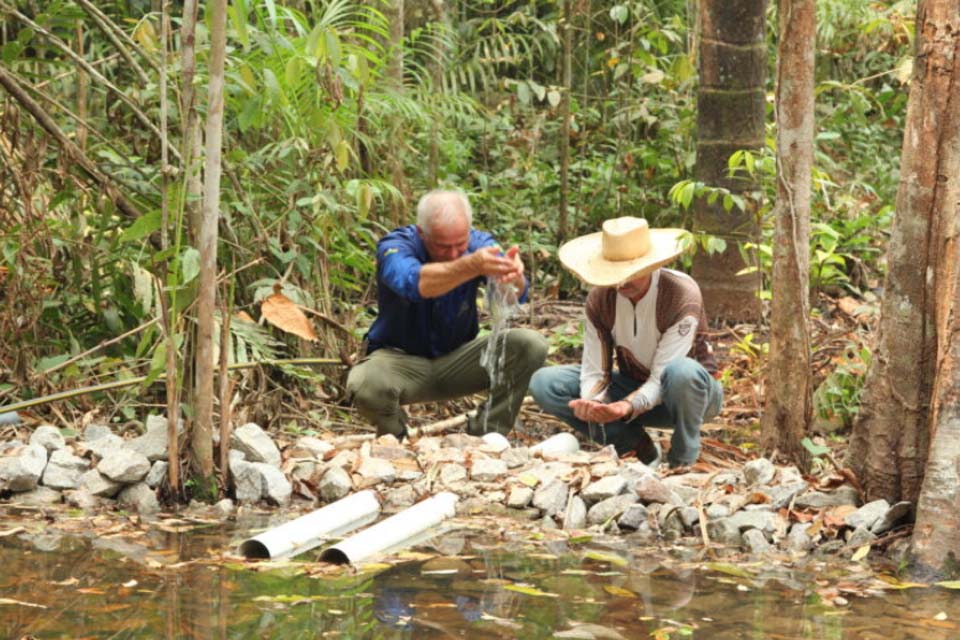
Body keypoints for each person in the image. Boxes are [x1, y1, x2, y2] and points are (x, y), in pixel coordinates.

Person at [346, 189, 548, 438]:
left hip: (458, 361)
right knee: (365, 383)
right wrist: (469, 265)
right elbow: (413, 284)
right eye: (442, 247)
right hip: (399, 362)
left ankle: (488, 435)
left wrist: (513, 277)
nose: (453, 253)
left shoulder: (480, 244)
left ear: (469, 231)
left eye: (460, 245)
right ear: (421, 232)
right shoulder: (396, 246)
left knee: (530, 345)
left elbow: (514, 296)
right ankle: (394, 439)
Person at [529, 216, 721, 468]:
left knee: (681, 372)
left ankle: (683, 461)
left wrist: (626, 406)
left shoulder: (680, 294)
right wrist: (593, 403)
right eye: (615, 274)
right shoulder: (601, 299)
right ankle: (634, 446)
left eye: (631, 273)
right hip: (632, 386)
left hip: (690, 396)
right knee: (545, 383)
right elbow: (594, 370)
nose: (621, 282)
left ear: (651, 266)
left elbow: (662, 375)